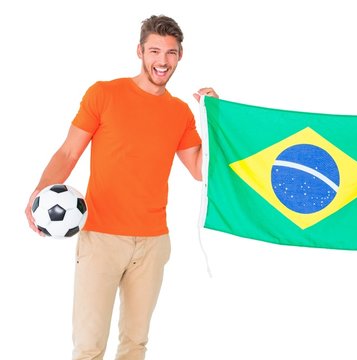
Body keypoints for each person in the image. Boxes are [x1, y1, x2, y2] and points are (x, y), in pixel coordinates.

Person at [24, 15, 218, 360]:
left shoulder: (179, 113)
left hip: (153, 242)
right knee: (88, 347)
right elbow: (69, 151)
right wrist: (38, 193)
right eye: (155, 51)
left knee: (135, 345)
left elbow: (201, 170)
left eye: (170, 53)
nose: (162, 61)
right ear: (140, 51)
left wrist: (215, 117)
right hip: (101, 238)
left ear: (180, 56)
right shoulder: (104, 94)